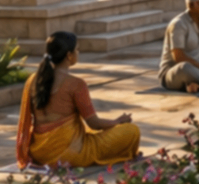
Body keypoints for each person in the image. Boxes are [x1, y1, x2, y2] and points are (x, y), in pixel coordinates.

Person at [17, 31, 141, 169]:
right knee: (131, 131)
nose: (78, 52)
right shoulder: (76, 84)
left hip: (39, 153)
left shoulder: (32, 80)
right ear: (69, 56)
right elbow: (94, 123)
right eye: (77, 49)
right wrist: (117, 121)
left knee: (89, 134)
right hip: (69, 154)